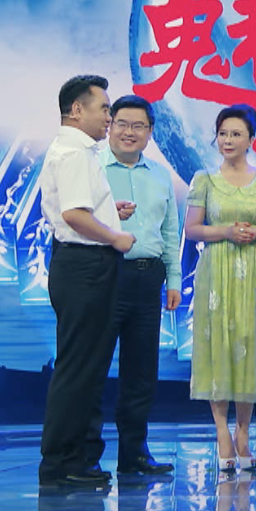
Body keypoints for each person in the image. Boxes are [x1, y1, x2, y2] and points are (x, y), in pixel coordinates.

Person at [37, 75, 136, 486]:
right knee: (78, 367)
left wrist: (110, 211)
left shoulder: (74, 150)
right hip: (85, 266)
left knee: (87, 365)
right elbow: (75, 216)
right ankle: (63, 461)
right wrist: (114, 236)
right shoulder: (75, 153)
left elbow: (79, 209)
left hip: (81, 264)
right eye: (104, 109)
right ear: (77, 110)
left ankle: (78, 458)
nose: (109, 117)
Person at [184, 105, 256, 472]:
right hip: (217, 270)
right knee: (218, 344)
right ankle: (221, 431)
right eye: (223, 134)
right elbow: (192, 229)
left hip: (255, 269)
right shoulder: (204, 180)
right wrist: (226, 232)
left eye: (236, 134)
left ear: (250, 140)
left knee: (248, 343)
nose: (227, 140)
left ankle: (244, 431)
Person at [85, 94, 181, 477]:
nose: (129, 132)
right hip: (104, 273)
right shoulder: (91, 167)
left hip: (147, 276)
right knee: (93, 367)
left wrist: (173, 279)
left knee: (141, 370)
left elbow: (170, 231)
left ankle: (134, 453)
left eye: (138, 126)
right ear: (110, 126)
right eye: (122, 123)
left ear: (150, 132)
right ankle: (86, 456)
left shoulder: (159, 174)